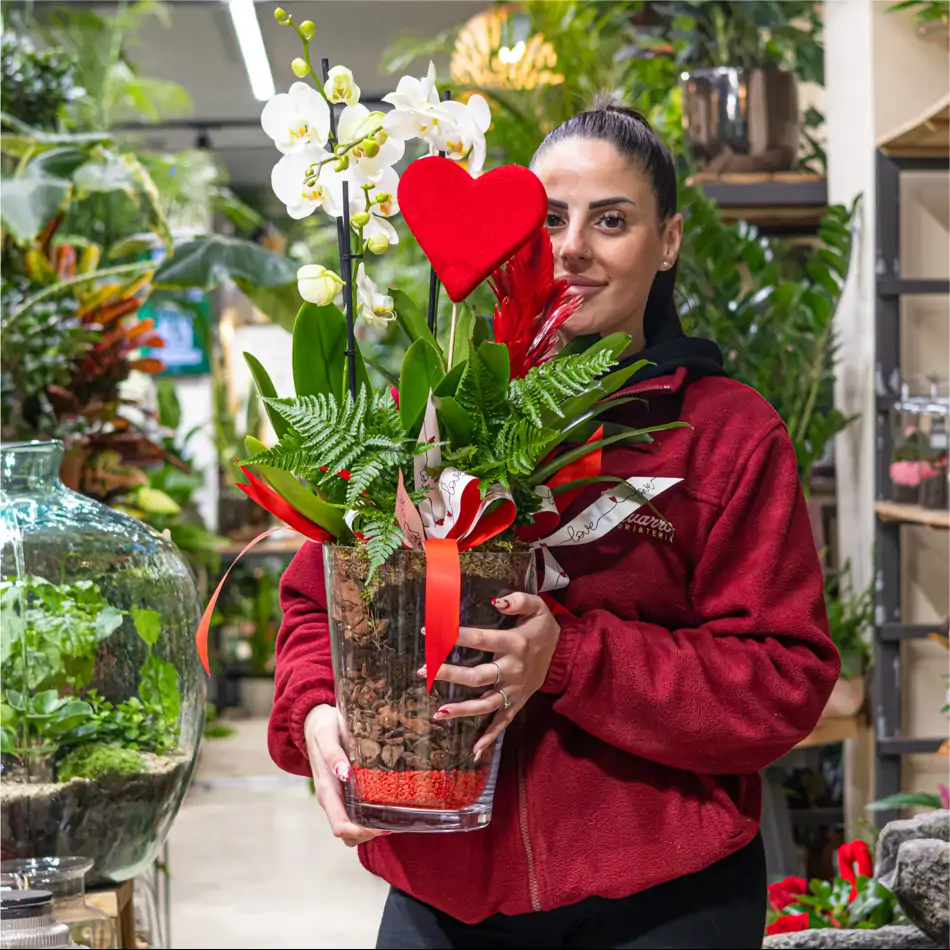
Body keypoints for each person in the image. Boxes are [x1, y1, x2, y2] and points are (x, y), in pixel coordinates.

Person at [267, 98, 840, 949]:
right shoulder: (418, 417)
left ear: (670, 241)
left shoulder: (724, 434)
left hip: (663, 895)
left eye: (612, 220)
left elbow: (783, 679)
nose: (572, 248)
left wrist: (569, 657)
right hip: (443, 888)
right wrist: (318, 710)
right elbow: (318, 610)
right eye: (550, 219)